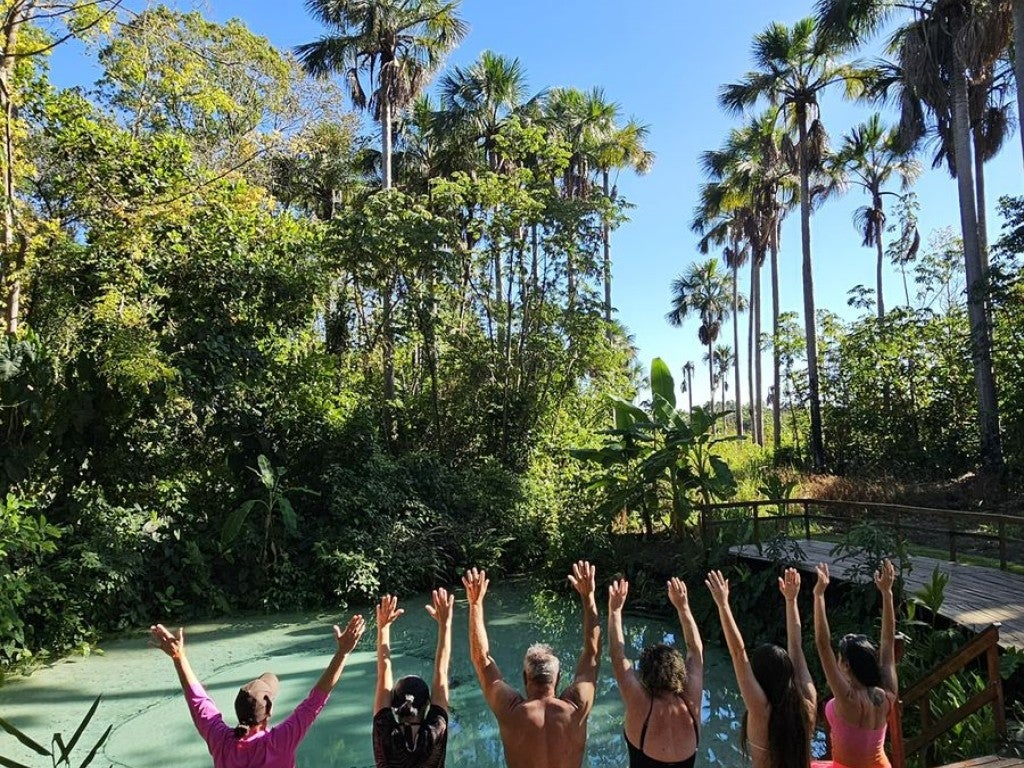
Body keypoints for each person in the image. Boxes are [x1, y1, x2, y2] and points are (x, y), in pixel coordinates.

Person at [150, 615, 365, 768]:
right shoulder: (280, 742)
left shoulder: (220, 740)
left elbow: (197, 699)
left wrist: (179, 657)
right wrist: (343, 653)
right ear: (268, 711)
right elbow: (316, 700)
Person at [462, 561, 600, 768]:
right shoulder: (575, 708)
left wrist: (475, 604)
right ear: (558, 678)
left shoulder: (511, 711)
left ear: (525, 677)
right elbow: (592, 653)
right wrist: (588, 597)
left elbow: (482, 660)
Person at [706, 568, 816, 768]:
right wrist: (791, 600)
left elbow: (738, 653)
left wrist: (723, 604)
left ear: (760, 676)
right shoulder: (807, 703)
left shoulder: (760, 710)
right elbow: (796, 647)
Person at [608, 576, 703, 768]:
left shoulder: (640, 705)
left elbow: (618, 656)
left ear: (645, 675)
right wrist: (683, 607)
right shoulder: (691, 702)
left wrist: (615, 611)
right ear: (680, 672)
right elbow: (695, 650)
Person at [813, 560, 897, 768]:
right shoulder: (887, 695)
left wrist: (819, 595)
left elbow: (823, 645)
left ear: (846, 665)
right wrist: (887, 593)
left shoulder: (847, 697)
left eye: (839, 658)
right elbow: (888, 643)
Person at [372, 589, 454, 768]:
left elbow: (383, 673)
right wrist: (445, 624)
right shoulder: (435, 730)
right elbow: (441, 672)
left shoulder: (384, 730)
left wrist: (383, 627)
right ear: (427, 703)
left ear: (393, 703)